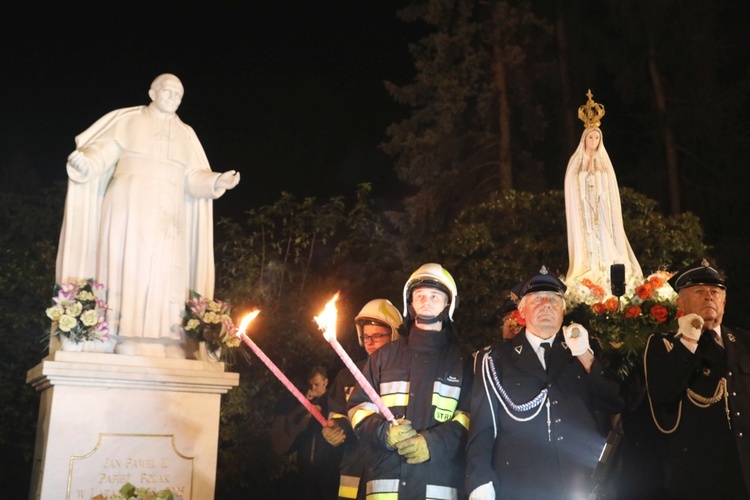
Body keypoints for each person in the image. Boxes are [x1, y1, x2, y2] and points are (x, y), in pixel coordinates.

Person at [55, 73, 240, 357]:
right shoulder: (128, 120)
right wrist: (86, 162)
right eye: (168, 91)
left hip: (169, 215)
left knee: (166, 274)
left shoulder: (185, 133)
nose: (174, 98)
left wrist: (216, 182)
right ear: (153, 93)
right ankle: (120, 334)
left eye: (179, 94)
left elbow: (193, 177)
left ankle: (162, 340)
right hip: (129, 207)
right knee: (128, 267)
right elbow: (102, 153)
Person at [466, 267, 624, 499]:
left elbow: (614, 403)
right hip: (521, 483)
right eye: (537, 300)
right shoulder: (495, 359)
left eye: (553, 300)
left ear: (563, 311)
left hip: (582, 483)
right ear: (521, 310)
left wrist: (585, 356)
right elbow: (482, 427)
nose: (546, 305)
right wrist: (480, 480)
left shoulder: (588, 350)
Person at [347, 263, 471, 499]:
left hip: (438, 486)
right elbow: (358, 408)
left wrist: (432, 444)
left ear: (448, 304)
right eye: (420, 295)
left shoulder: (464, 362)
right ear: (410, 303)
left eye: (435, 296)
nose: (426, 301)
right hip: (386, 487)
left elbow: (470, 417)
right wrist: (384, 432)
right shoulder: (383, 357)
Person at [644, 258, 750, 498]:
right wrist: (689, 340)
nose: (709, 297)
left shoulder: (744, 342)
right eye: (699, 291)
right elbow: (663, 393)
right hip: (700, 475)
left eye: (715, 291)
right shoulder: (667, 345)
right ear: (680, 301)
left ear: (724, 301)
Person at [322, 298, 403, 500]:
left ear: (394, 335)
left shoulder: (404, 374)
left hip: (391, 474)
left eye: (377, 336)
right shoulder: (347, 375)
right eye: (365, 336)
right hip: (354, 474)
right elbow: (338, 414)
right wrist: (335, 429)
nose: (370, 342)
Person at [564, 90, 642, 295]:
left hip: (601, 214)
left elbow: (608, 190)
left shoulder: (604, 166)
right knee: (588, 243)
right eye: (590, 137)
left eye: (596, 137)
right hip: (585, 215)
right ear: (585, 139)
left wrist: (595, 173)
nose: (593, 141)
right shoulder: (576, 163)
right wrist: (585, 174)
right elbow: (572, 185)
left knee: (606, 244)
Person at [271, 365, 344, 500]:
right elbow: (289, 425)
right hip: (306, 468)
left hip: (329, 469)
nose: (313, 388)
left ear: (325, 382)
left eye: (316, 384)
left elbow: (338, 423)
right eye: (311, 385)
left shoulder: (333, 402)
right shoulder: (303, 401)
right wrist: (304, 405)